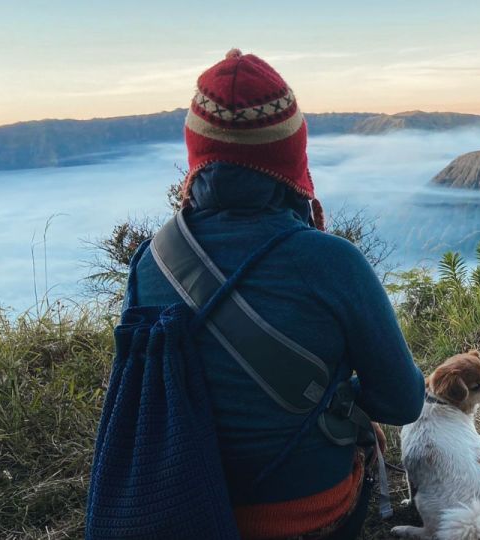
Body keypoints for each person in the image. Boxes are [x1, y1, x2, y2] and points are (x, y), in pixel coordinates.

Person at [123, 49, 425, 539]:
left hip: (183, 504)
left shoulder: (149, 263)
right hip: (305, 509)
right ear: (291, 157)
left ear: (196, 154)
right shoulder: (332, 262)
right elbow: (403, 402)